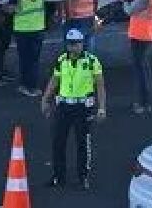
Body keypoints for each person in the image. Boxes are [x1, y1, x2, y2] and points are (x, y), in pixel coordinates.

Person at [41, 28, 106, 191]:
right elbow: (55, 80)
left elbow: (100, 85)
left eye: (76, 44)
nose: (73, 47)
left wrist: (102, 108)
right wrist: (45, 99)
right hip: (63, 107)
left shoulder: (92, 61)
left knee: (82, 143)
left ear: (82, 44)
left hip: (83, 108)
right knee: (58, 142)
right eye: (70, 44)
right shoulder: (62, 60)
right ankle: (58, 176)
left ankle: (83, 176)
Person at [11, 0, 47, 98]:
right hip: (38, 26)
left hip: (23, 28)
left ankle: (26, 86)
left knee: (24, 59)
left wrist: (4, 8)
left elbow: (11, 8)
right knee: (34, 59)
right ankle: (34, 86)